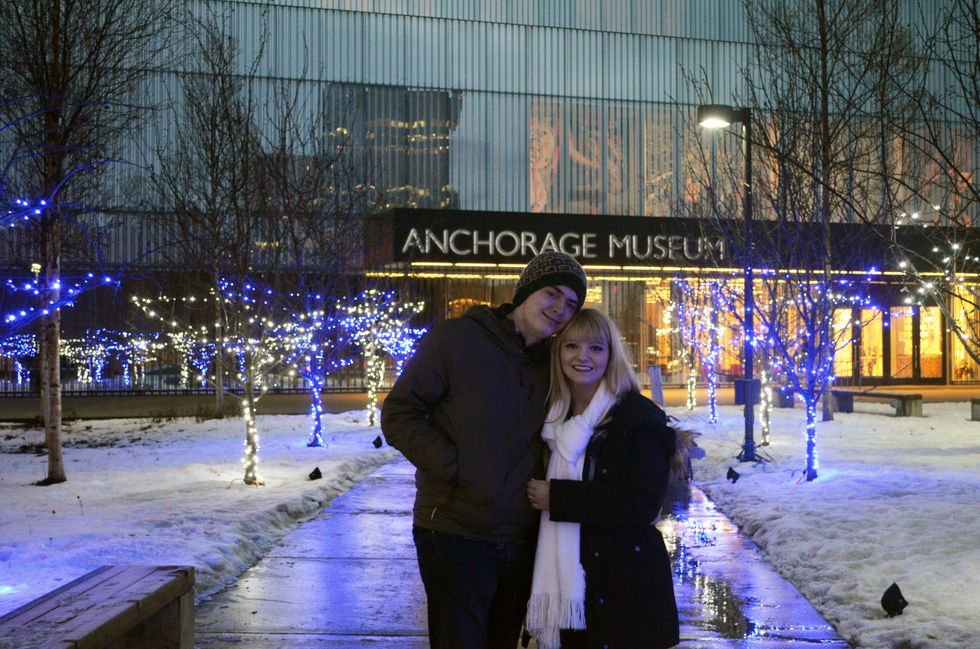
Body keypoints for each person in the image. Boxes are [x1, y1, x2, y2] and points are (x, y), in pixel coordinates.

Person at [381, 251, 588, 649]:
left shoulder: (556, 362)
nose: (560, 309)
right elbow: (399, 413)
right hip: (454, 532)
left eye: (571, 304)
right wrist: (457, 470)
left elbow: (601, 395)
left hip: (522, 540)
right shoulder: (457, 339)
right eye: (552, 293)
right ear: (524, 291)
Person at [525, 308, 680, 649]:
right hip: (573, 584)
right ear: (558, 352)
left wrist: (558, 498)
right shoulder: (551, 418)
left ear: (611, 355)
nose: (582, 357)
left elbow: (642, 503)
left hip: (624, 585)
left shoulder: (638, 418)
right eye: (571, 346)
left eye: (595, 348)